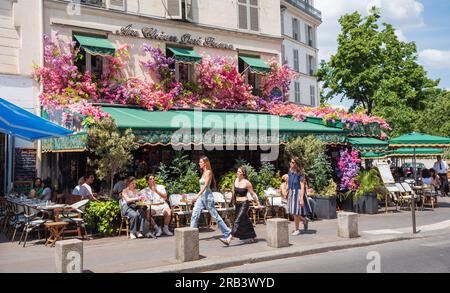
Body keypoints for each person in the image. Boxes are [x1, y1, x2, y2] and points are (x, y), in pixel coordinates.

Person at [190, 156, 232, 245]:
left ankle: (227, 231)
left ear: (205, 163)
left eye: (200, 162)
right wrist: (198, 195)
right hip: (202, 197)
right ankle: (190, 235)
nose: (199, 163)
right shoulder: (203, 172)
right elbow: (202, 187)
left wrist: (197, 195)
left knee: (215, 216)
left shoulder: (209, 172)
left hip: (207, 196)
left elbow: (205, 186)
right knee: (195, 214)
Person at [222, 166, 262, 245]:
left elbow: (253, 194)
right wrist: (233, 202)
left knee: (237, 221)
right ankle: (253, 236)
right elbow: (233, 192)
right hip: (237, 204)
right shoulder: (235, 180)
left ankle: (229, 239)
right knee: (245, 220)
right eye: (237, 171)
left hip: (244, 204)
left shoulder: (247, 183)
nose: (237, 173)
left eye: (239, 172)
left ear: (243, 174)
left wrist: (258, 203)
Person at [288, 157, 309, 236]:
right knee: (292, 212)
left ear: (297, 164)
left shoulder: (300, 174)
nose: (291, 163)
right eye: (291, 162)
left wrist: (301, 199)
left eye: (293, 162)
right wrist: (287, 190)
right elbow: (289, 182)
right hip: (291, 192)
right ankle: (304, 220)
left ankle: (297, 229)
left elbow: (302, 187)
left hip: (297, 193)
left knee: (296, 212)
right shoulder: (290, 172)